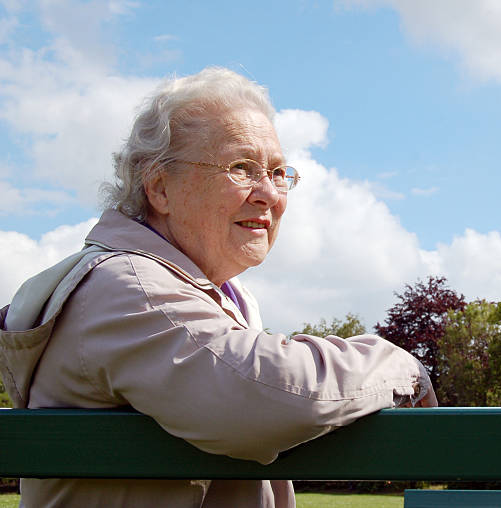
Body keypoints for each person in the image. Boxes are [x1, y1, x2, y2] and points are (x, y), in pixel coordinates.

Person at [0, 67, 437, 508]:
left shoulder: (226, 296)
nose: (269, 194)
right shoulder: (127, 286)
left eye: (278, 172)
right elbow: (266, 395)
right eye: (241, 168)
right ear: (159, 188)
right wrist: (400, 367)